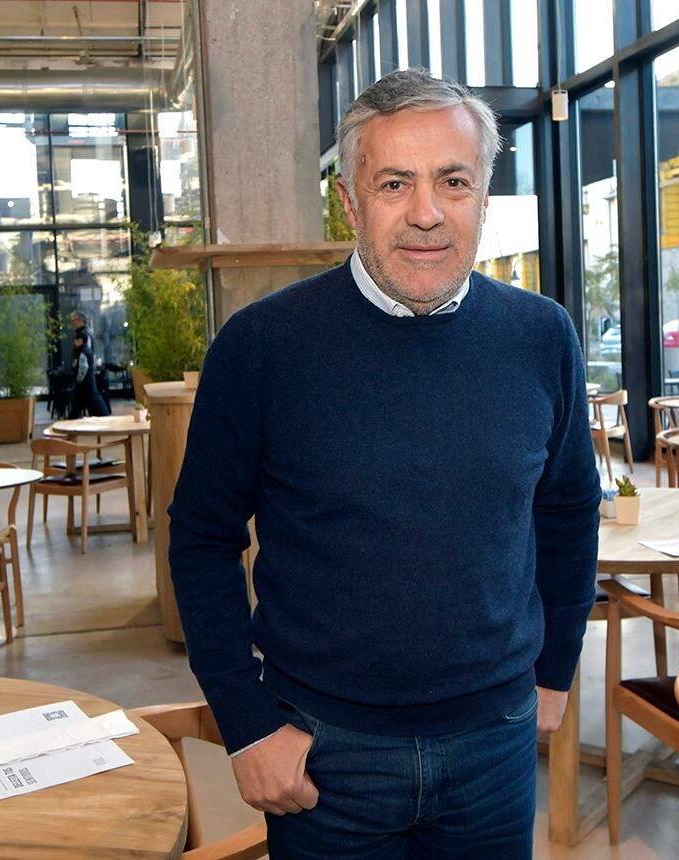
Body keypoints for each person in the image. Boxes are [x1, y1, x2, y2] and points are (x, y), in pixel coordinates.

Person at [168, 68, 600, 858]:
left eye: (453, 181)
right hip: (322, 751)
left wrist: (555, 671)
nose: (427, 213)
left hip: (495, 747)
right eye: (395, 182)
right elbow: (201, 538)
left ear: (485, 195)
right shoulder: (263, 347)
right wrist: (245, 723)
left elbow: (569, 509)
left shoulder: (542, 337)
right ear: (350, 202)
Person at [69, 331, 108, 418]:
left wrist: (78, 379)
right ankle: (103, 415)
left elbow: (83, 368)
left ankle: (104, 415)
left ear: (80, 340)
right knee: (87, 401)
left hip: (85, 383)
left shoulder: (82, 352)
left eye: (75, 340)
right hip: (89, 381)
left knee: (88, 400)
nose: (74, 343)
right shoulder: (88, 351)